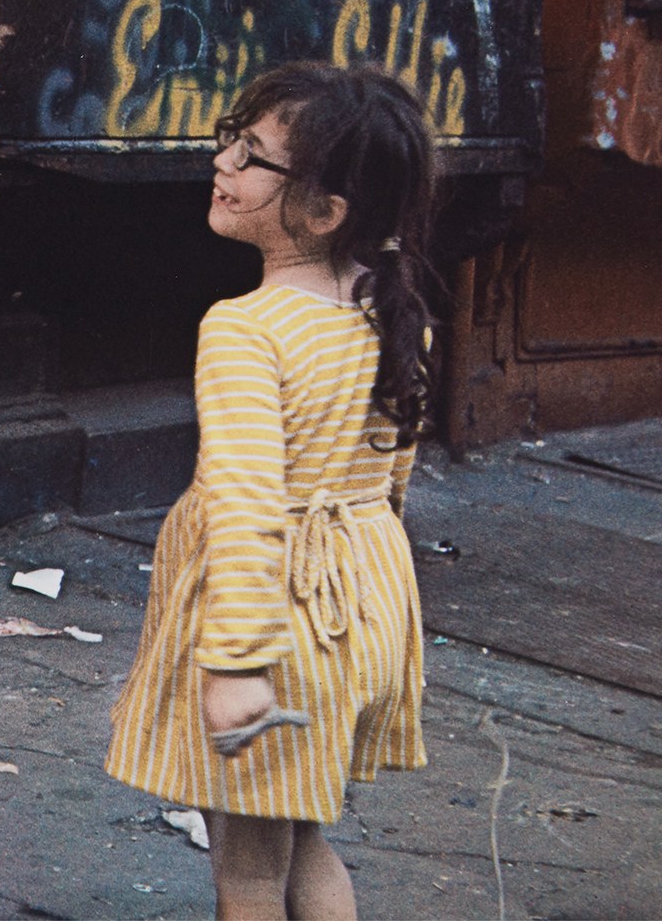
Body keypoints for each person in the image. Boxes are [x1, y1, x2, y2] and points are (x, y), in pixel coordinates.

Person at [105, 63, 436, 921]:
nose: (224, 162)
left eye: (253, 157)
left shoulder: (246, 330)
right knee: (303, 839)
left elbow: (249, 501)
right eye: (233, 140)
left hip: (278, 622)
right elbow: (390, 479)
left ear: (325, 212)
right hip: (360, 609)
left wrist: (237, 664)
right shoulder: (390, 310)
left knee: (248, 876)